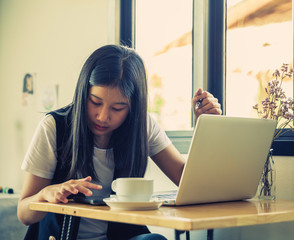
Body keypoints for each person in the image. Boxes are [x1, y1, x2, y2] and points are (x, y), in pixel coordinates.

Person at [17, 44, 222, 240]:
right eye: (95, 102)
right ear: (83, 93)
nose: (103, 116)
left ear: (133, 106)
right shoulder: (54, 127)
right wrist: (44, 194)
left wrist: (205, 126)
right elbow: (24, 214)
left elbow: (186, 180)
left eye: (118, 108)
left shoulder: (142, 126)